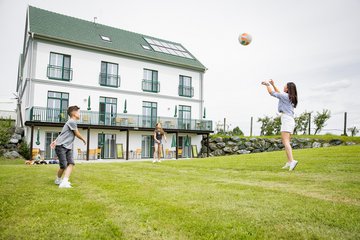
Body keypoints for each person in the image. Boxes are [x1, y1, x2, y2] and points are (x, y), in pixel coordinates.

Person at [262, 79, 298, 171]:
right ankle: (289, 162)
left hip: (286, 119)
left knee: (285, 142)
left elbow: (272, 93)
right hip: (290, 120)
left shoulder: (285, 96)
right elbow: (278, 93)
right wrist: (273, 84)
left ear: (287, 89)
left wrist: (267, 85)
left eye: (285, 86)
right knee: (286, 142)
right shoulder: (289, 97)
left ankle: (292, 161)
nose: (283, 87)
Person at [50, 106, 86, 188]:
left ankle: (65, 181)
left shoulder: (71, 122)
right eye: (78, 112)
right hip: (61, 146)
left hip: (67, 147)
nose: (79, 114)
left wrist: (55, 140)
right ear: (73, 113)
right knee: (63, 165)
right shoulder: (71, 122)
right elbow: (76, 133)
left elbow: (62, 133)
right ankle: (58, 179)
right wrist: (83, 139)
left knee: (71, 163)